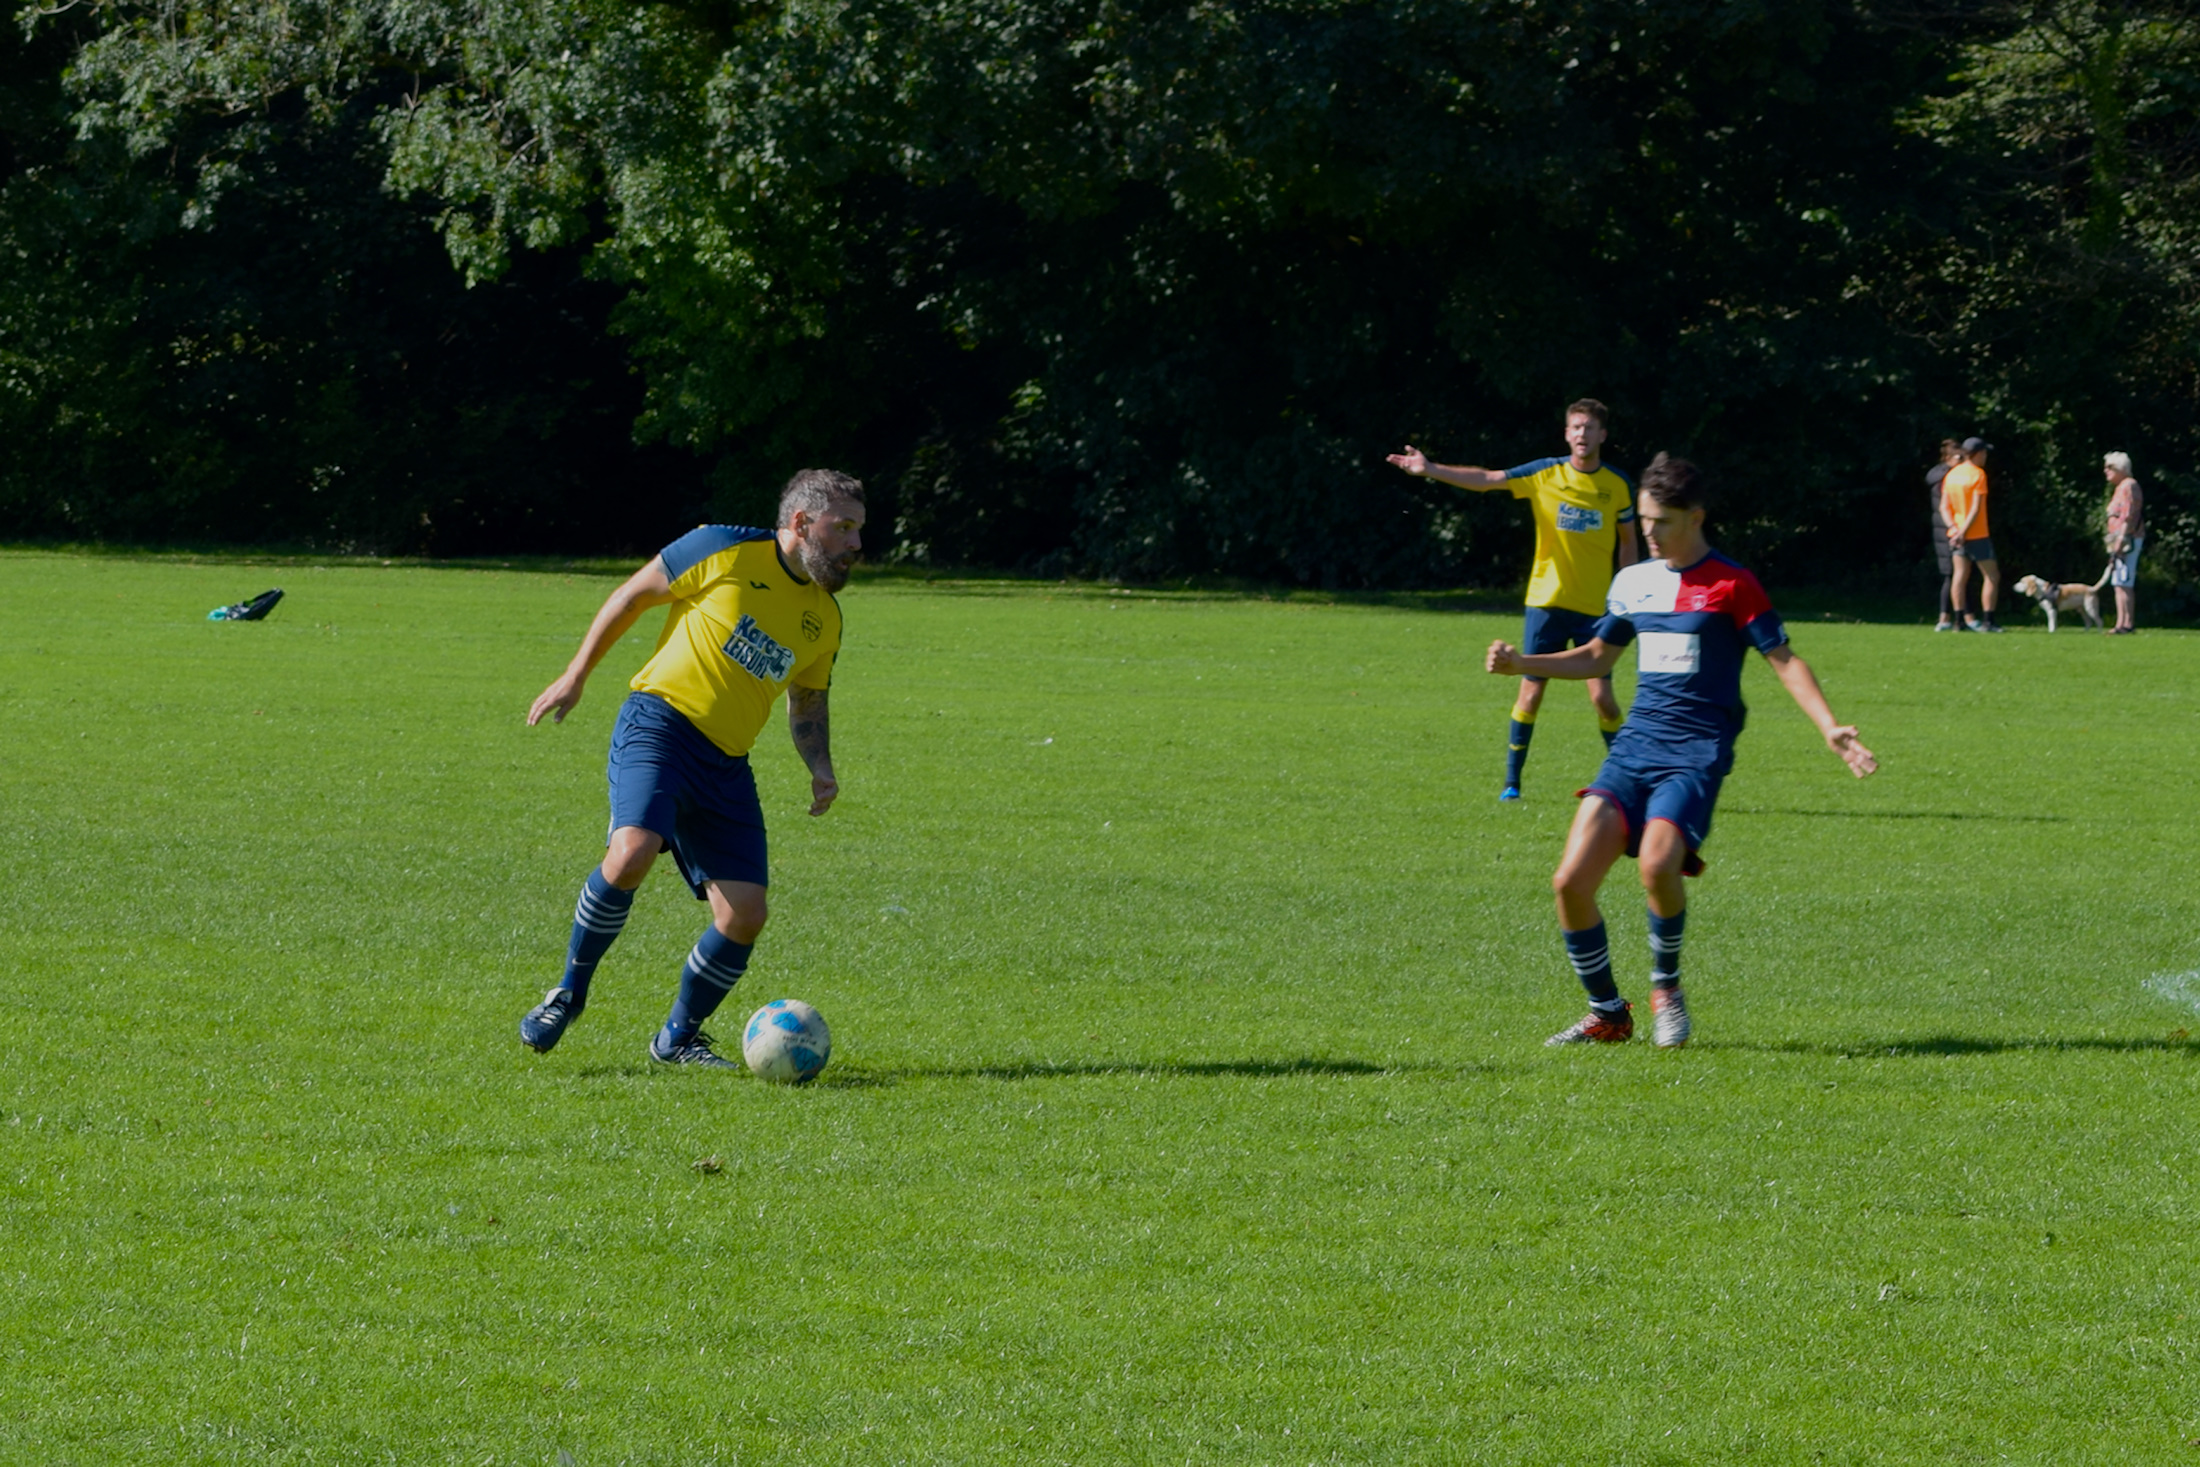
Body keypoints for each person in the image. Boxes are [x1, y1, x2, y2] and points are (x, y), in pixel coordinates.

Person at [1484, 453, 1877, 1048]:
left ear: (1696, 517)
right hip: (1635, 746)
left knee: (1657, 864)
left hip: (1696, 751)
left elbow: (1783, 659)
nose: (1649, 531)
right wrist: (1522, 663)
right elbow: (1597, 656)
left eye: (1662, 521)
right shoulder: (1634, 582)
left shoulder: (1732, 583)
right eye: (1645, 519)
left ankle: (1665, 988)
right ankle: (1607, 1014)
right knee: (1569, 881)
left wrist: (1828, 726)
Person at [517, 470, 865, 1067]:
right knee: (631, 853)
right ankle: (566, 996)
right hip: (659, 725)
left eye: (859, 530)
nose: (855, 544)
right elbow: (632, 596)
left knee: (745, 915)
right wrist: (576, 675)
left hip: (725, 764)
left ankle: (676, 1038)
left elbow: (808, 699)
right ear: (802, 523)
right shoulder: (722, 546)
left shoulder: (824, 618)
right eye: (844, 527)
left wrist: (820, 765)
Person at [1388, 399, 1639, 801]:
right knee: (1531, 694)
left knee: (1604, 700)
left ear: (1602, 435)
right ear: (1566, 433)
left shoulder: (1618, 485)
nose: (1582, 434)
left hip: (1596, 610)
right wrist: (1430, 469)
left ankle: (1627, 782)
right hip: (1546, 603)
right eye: (1576, 427)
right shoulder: (1545, 473)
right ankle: (1512, 785)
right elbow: (1488, 478)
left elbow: (1628, 543)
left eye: (1589, 427)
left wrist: (1629, 595)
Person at [1942, 437, 2004, 632]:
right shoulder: (1978, 474)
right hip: (1977, 533)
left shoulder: (1952, 474)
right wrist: (1963, 531)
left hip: (1956, 534)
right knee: (1992, 576)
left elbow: (1944, 507)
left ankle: (1958, 622)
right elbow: (1976, 509)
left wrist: (1954, 529)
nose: (1985, 456)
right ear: (1977, 454)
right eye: (1984, 453)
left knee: (1959, 576)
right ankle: (1988, 621)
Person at [2103, 451, 2144, 634]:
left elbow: (2129, 515)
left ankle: (2127, 624)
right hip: (2120, 538)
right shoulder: (2121, 487)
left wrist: (2121, 538)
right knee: (2118, 581)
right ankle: (2120, 623)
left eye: (2109, 467)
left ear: (2120, 468)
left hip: (2128, 539)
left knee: (2124, 580)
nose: (2106, 471)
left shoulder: (2129, 485)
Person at [1926, 439, 1963, 631]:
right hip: (1947, 529)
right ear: (1947, 457)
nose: (1962, 461)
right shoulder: (1946, 478)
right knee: (1952, 575)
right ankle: (1945, 618)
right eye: (1959, 457)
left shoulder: (1939, 475)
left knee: (1957, 575)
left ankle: (1956, 617)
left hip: (1944, 528)